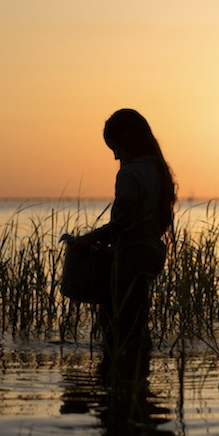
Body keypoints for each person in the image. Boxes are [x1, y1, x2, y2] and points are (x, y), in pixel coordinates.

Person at [65, 109, 177, 379]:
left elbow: (125, 221)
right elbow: (156, 221)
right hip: (152, 252)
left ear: (126, 140)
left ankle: (119, 387)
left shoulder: (130, 173)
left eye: (114, 148)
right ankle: (138, 380)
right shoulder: (158, 170)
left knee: (116, 323)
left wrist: (90, 238)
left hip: (131, 258)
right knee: (136, 321)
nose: (115, 157)